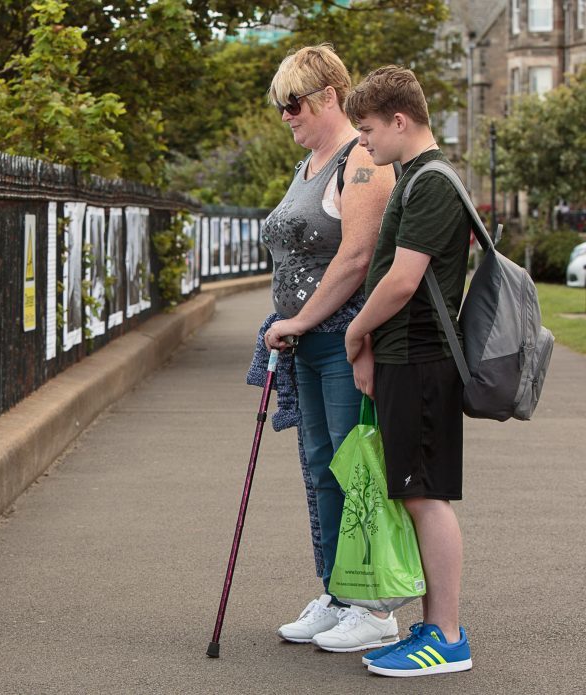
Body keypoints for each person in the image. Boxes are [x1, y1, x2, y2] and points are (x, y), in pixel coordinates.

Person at [257, 44, 398, 652]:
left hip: (344, 339)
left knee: (354, 469)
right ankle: (338, 593)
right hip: (305, 343)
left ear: (327, 97)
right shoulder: (309, 162)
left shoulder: (362, 160)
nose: (286, 115)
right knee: (320, 470)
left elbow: (357, 258)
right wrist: (291, 325)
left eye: (293, 103)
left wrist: (300, 320)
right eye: (281, 106)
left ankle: (373, 606)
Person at [343, 65, 473, 676]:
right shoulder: (415, 178)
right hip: (405, 356)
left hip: (421, 357)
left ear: (400, 121)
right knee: (415, 490)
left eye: (367, 130)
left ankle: (446, 637)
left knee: (427, 495)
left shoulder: (432, 183)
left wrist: (355, 329)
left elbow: (402, 278)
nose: (363, 143)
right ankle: (432, 624)